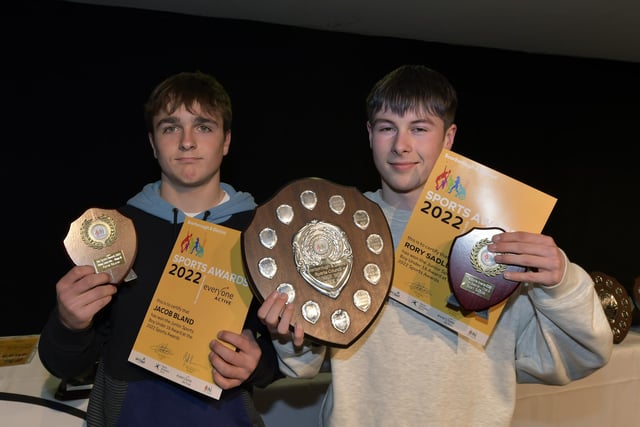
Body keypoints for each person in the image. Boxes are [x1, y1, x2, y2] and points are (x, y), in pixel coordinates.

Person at [258, 64, 613, 426]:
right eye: (386, 128)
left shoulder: (497, 239)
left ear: (448, 137)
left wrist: (562, 283)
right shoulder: (335, 229)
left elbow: (579, 355)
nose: (401, 145)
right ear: (369, 134)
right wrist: (286, 333)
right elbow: (302, 366)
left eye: (419, 128)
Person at [39, 71, 282, 426]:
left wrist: (259, 364)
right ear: (153, 143)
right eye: (170, 128)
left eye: (203, 126)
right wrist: (68, 323)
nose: (186, 142)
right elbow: (63, 364)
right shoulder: (115, 234)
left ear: (226, 141)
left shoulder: (262, 233)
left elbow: (286, 358)